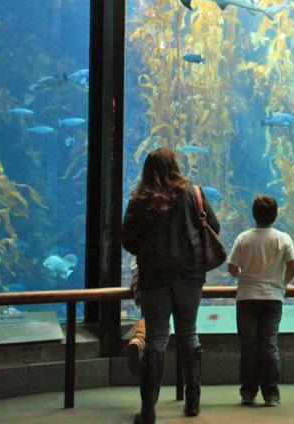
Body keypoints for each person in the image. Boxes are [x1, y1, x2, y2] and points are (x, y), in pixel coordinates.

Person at [121, 148, 220, 421]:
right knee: (189, 333)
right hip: (190, 277)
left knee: (156, 339)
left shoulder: (140, 199)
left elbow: (127, 240)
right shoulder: (193, 193)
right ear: (175, 165)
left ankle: (149, 408)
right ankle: (193, 403)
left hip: (154, 279)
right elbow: (214, 226)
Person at [228, 195, 294, 407]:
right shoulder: (283, 238)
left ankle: (248, 392)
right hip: (273, 298)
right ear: (275, 215)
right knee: (269, 344)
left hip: (247, 298)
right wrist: (282, 282)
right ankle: (271, 393)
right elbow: (293, 266)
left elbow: (231, 266)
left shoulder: (243, 238)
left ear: (254, 214)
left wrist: (245, 276)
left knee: (248, 345)